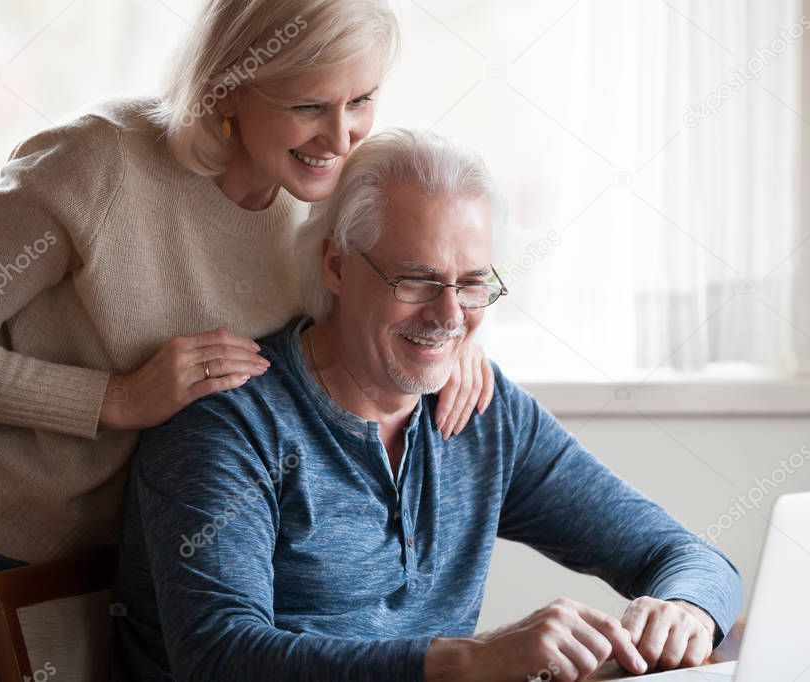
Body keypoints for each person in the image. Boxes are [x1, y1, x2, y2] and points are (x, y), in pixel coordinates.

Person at [0, 2, 493, 678]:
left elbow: (390, 285)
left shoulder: (326, 191)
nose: (341, 137)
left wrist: (452, 336)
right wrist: (115, 398)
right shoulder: (97, 162)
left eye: (361, 100)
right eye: (309, 105)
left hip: (139, 542)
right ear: (227, 88)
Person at [111, 128, 744, 681]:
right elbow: (219, 658)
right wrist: (467, 659)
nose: (448, 317)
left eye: (471, 284)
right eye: (416, 280)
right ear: (336, 265)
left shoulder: (481, 413)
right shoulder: (228, 426)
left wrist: (686, 608)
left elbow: (687, 557)